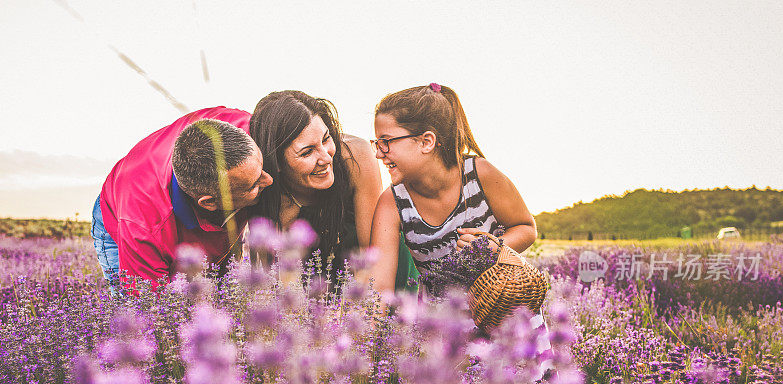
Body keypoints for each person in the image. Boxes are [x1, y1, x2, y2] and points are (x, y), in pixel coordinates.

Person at [369, 83, 538, 297]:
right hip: (442, 325)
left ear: (426, 142)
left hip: (505, 313)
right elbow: (379, 289)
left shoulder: (480, 174)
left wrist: (492, 247)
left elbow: (526, 227)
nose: (378, 153)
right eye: (377, 143)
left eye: (386, 142)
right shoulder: (392, 202)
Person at [249, 90, 418, 289]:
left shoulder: (356, 156)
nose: (326, 157)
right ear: (276, 162)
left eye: (326, 138)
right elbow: (265, 281)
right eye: (307, 152)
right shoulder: (261, 189)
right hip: (313, 286)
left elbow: (372, 260)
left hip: (375, 270)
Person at [92, 107, 272, 289]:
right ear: (209, 202)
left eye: (262, 168)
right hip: (123, 214)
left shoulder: (249, 130)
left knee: (223, 290)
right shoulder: (144, 228)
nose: (270, 180)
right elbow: (146, 310)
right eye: (253, 185)